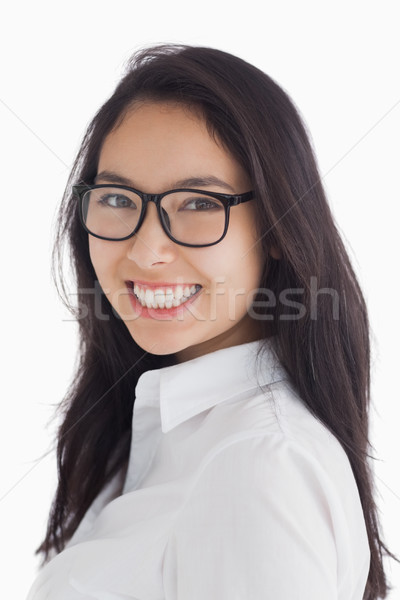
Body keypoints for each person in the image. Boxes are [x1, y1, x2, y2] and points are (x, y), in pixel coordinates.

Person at [27, 44, 396, 599]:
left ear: (277, 225)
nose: (147, 250)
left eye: (199, 204)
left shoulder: (261, 466)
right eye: (118, 199)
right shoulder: (149, 432)